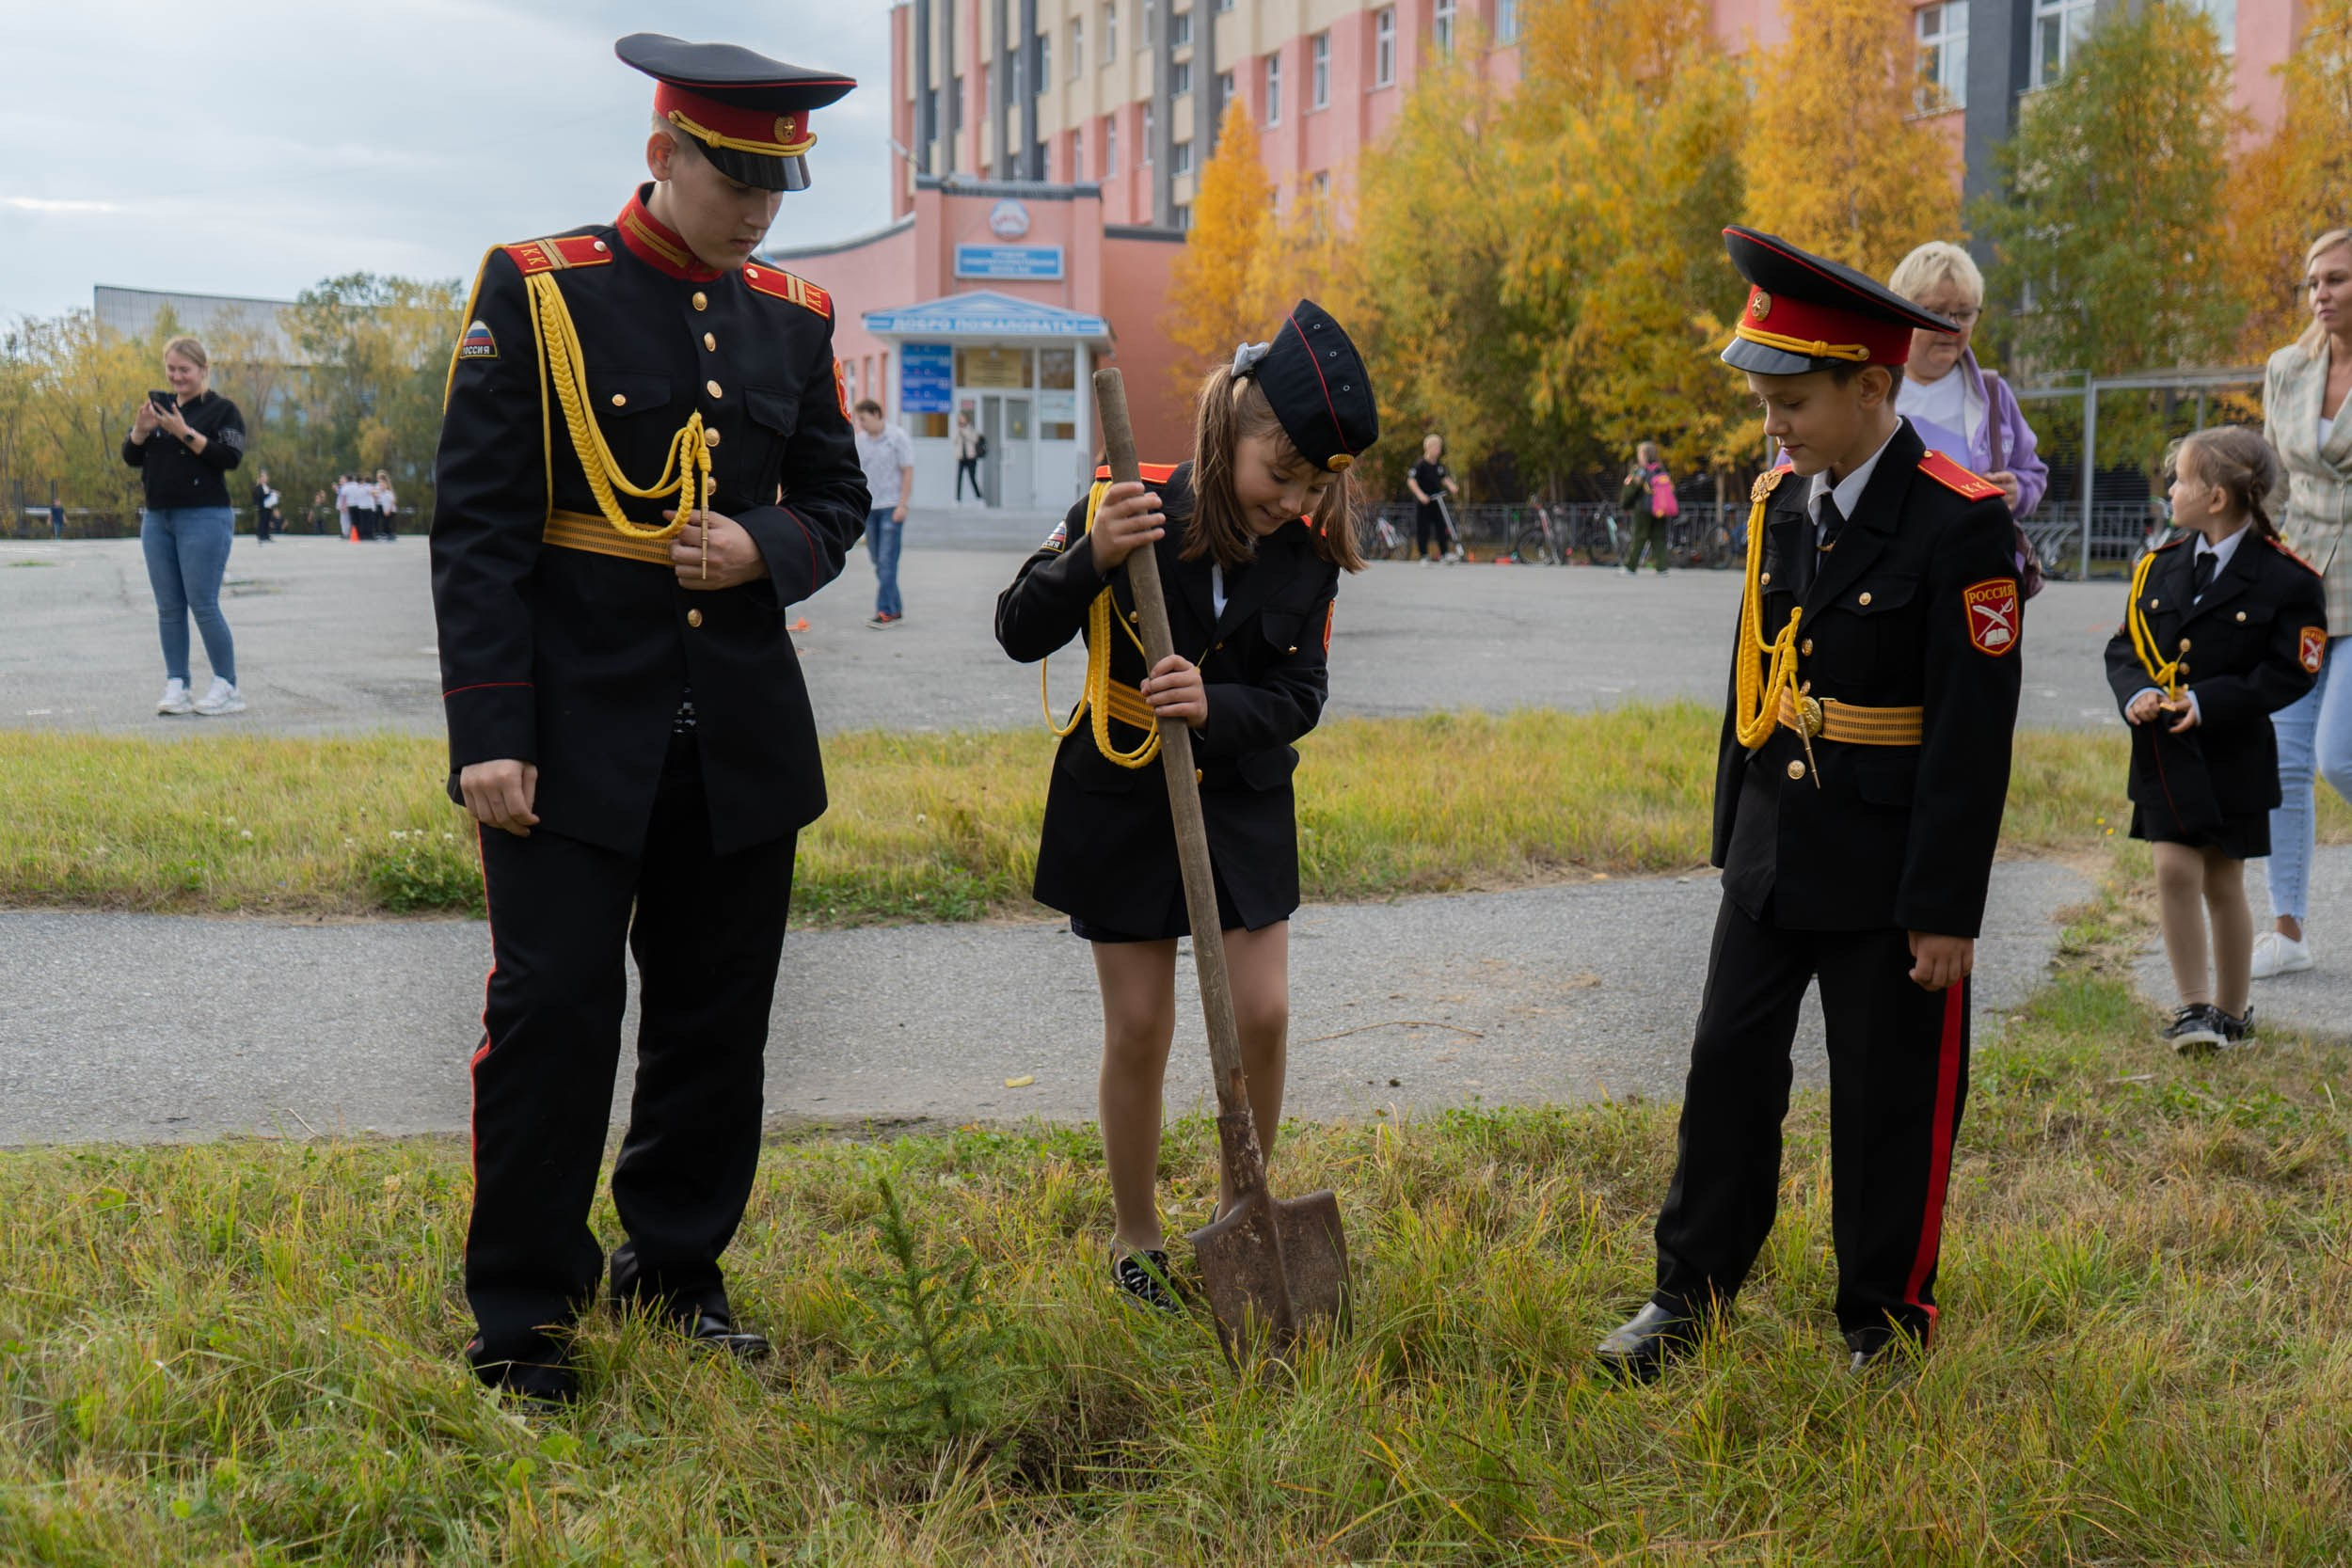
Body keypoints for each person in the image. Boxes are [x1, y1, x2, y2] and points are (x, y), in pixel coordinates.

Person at [430, 31, 867, 1408]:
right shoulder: (541, 291)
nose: (758, 210)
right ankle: (525, 1315)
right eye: (736, 177)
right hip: (568, 732)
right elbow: (482, 532)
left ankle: (675, 1271)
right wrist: (490, 729)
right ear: (663, 153)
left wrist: (766, 547)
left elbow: (837, 501)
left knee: (713, 1020)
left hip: (733, 731)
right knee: (555, 1012)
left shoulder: (794, 316)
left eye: (777, 186)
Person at [1596, 228, 2022, 1382]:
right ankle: (1687, 1293)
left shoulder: (1960, 519)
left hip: (1890, 866)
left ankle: (1883, 1320)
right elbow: (1755, 672)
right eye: (1763, 400)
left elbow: (1971, 739)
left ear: (1872, 386)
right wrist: (1734, 835)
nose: (1769, 425)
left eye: (1791, 400)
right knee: (1726, 1069)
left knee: (1888, 1097)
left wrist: (1945, 907)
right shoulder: (1784, 500)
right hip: (1777, 852)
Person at [994, 300, 1375, 1312]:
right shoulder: (1127, 503)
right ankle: (1135, 1235)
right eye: (1277, 473)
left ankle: (1238, 1207)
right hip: (1118, 788)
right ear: (1228, 432)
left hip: (1241, 801)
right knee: (1141, 1027)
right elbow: (1016, 627)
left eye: (1310, 485)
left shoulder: (1308, 551)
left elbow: (1301, 696)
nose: (1290, 501)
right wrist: (1091, 554)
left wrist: (1217, 706)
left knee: (1265, 1008)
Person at [2106, 428, 2323, 1053]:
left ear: (2218, 497)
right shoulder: (2157, 566)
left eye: (2180, 479)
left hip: (2233, 752)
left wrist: (2208, 702)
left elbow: (2292, 670)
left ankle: (2232, 1012)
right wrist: (2136, 692)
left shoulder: (2286, 580)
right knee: (2173, 868)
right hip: (2165, 751)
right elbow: (2126, 646)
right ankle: (2195, 1008)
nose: (2170, 490)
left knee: (2222, 878)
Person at [2255, 229, 2352, 980]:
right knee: (2282, 761)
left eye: (2338, 279)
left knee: (2338, 755)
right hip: (2299, 586)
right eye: (2313, 280)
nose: (2321, 292)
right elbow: (2271, 482)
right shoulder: (2286, 369)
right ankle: (2286, 930)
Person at [121, 334, 247, 718]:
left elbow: (230, 456)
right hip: (159, 518)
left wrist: (184, 433)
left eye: (185, 370)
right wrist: (141, 430)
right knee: (168, 607)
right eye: (171, 370)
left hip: (204, 515)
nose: (177, 377)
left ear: (203, 370)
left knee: (203, 603)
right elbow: (132, 457)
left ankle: (226, 686)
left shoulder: (222, 410)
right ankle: (177, 683)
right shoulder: (160, 409)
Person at [851, 398, 914, 626]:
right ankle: (895, 607)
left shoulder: (897, 438)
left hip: (891, 507)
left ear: (877, 414)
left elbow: (907, 471)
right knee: (878, 560)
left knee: (887, 561)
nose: (861, 424)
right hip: (870, 509)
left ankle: (885, 611)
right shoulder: (860, 441)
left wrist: (903, 504)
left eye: (864, 419)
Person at [1618, 440, 1677, 575]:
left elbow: (1631, 489)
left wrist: (1625, 504)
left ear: (1643, 455)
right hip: (1660, 509)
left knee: (1638, 537)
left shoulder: (1640, 470)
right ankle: (1662, 567)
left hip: (1643, 509)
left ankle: (1630, 566)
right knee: (1659, 538)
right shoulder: (1660, 470)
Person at [1406, 433, 1457, 565]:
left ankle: (1444, 553)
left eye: (1439, 447)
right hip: (1424, 502)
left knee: (1441, 526)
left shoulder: (1438, 465)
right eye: (1436, 447)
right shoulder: (1420, 464)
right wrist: (1420, 495)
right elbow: (1411, 481)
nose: (1438, 450)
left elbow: (1444, 477)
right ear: (1428, 447)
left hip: (1437, 501)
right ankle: (1423, 555)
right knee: (1423, 528)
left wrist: (1452, 486)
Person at [953, 409, 984, 503]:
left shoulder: (971, 428)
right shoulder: (957, 429)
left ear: (966, 418)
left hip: (971, 457)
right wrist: (959, 431)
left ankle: (979, 498)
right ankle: (957, 500)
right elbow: (954, 441)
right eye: (959, 418)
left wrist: (965, 432)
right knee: (959, 478)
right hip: (961, 457)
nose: (961, 419)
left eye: (962, 417)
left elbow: (975, 439)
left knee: (972, 478)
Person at [250, 470, 278, 544]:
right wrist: (270, 494)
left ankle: (267, 535)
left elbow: (268, 494)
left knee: (267, 521)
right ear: (260, 478)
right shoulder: (258, 487)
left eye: (266, 477)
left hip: (268, 507)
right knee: (262, 521)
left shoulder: (267, 487)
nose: (265, 478)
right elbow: (259, 496)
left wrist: (273, 493)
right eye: (263, 477)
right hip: (262, 507)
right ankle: (261, 536)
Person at [374, 469, 398, 541]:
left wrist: (389, 510)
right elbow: (376, 495)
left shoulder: (388, 492)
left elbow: (392, 501)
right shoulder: (382, 490)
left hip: (390, 509)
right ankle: (386, 533)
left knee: (387, 522)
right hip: (385, 508)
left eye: (379, 477)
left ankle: (390, 534)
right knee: (385, 522)